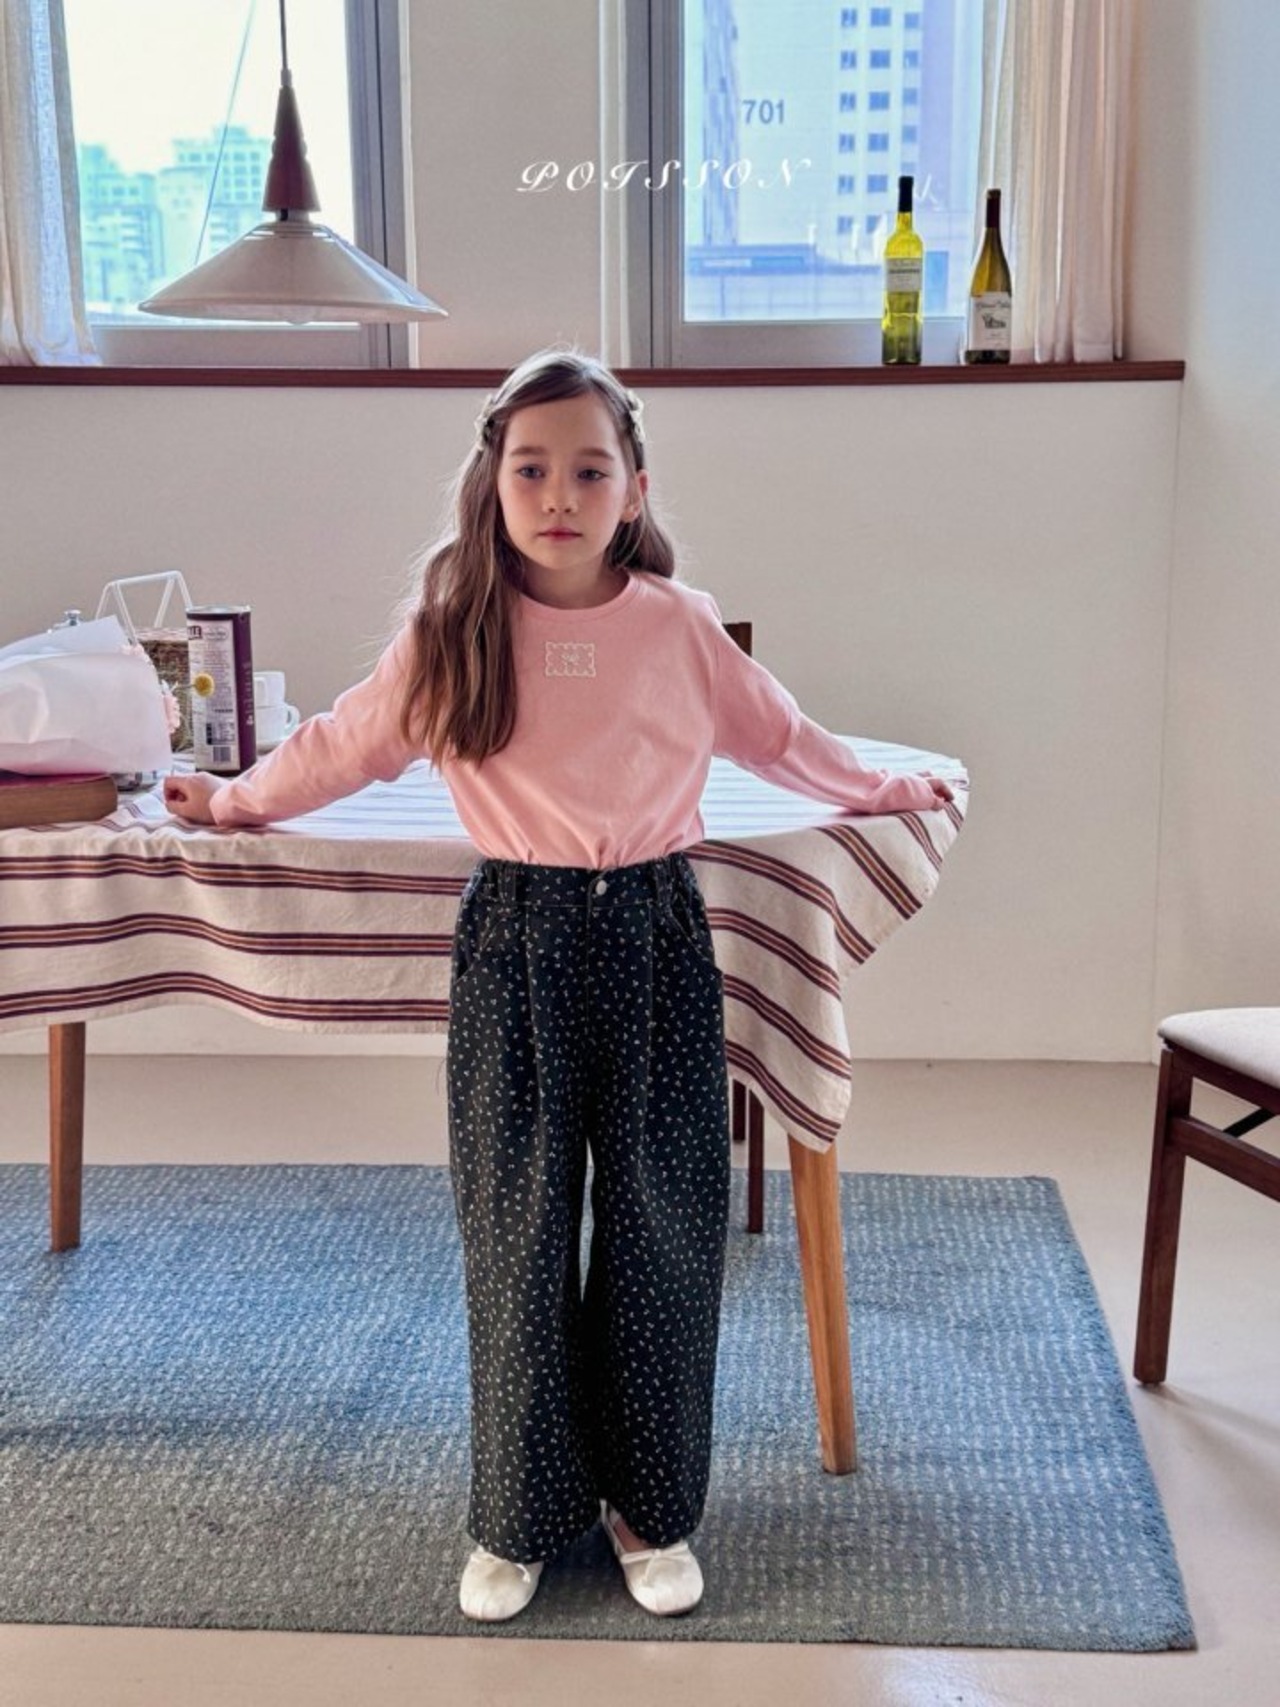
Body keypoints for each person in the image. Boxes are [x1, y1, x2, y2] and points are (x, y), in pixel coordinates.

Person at [164, 348, 954, 1623]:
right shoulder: (452, 633)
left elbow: (784, 738)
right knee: (517, 1229)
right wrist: (235, 801)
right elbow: (343, 746)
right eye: (531, 469)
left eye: (589, 471)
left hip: (654, 939)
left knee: (661, 1224)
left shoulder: (678, 628)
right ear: (493, 484)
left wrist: (879, 788)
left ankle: (650, 1508)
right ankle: (521, 1512)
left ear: (633, 490)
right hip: (513, 944)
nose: (558, 496)